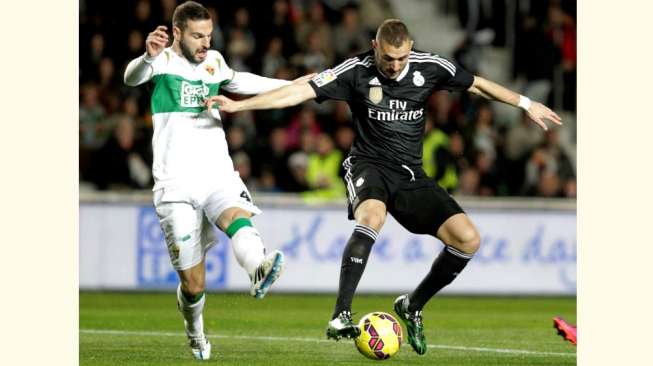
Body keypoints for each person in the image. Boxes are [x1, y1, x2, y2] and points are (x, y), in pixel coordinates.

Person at [206, 19, 562, 355]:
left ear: (411, 49)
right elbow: (299, 90)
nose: (394, 66)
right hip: (368, 166)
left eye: (402, 57)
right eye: (388, 58)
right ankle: (340, 314)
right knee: (372, 217)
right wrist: (243, 106)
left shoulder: (430, 67)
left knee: (468, 239)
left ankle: (412, 306)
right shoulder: (355, 71)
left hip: (410, 176)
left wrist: (525, 103)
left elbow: (479, 84)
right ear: (375, 46)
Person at [123, 1, 310, 360]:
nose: (205, 43)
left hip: (216, 173)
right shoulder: (161, 62)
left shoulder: (214, 61)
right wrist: (146, 57)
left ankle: (258, 266)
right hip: (175, 185)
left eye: (208, 35)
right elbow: (131, 78)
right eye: (197, 36)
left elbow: (243, 81)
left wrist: (295, 85)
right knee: (193, 285)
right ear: (177, 33)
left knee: (237, 216)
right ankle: (195, 331)